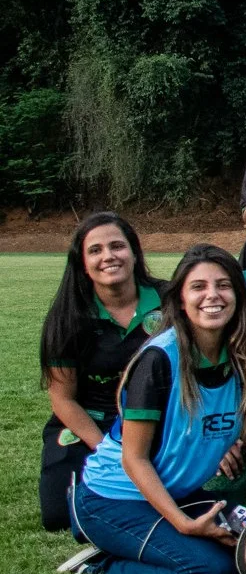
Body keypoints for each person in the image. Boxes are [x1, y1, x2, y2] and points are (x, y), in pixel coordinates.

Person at [66, 245, 246, 574]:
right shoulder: (158, 361)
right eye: (198, 287)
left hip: (175, 493)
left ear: (239, 295)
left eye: (223, 285)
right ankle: (98, 563)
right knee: (208, 571)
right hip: (111, 498)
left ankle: (151, 539)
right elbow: (134, 458)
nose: (212, 295)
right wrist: (182, 524)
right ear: (181, 300)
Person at [39, 214, 164, 532]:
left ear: (135, 254)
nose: (108, 256)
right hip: (90, 426)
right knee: (59, 515)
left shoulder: (171, 300)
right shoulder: (67, 317)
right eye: (95, 250)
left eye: (117, 246)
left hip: (155, 421)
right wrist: (111, 451)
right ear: (82, 262)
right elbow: (63, 400)